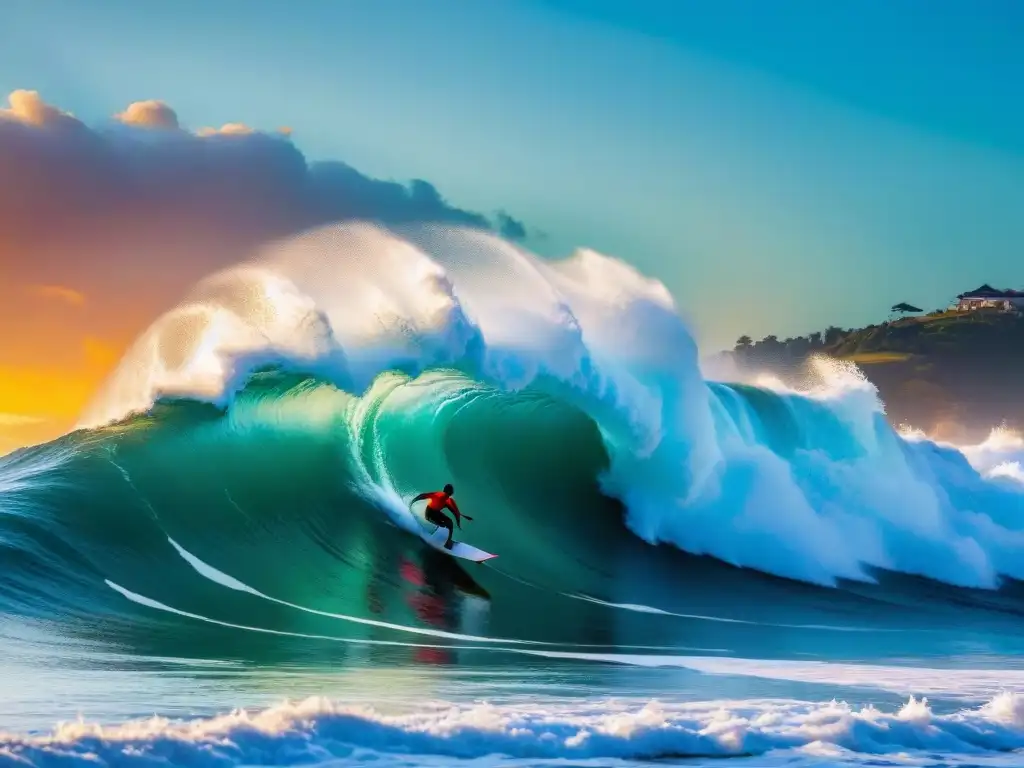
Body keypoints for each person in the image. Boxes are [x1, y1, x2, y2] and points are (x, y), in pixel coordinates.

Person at [411, 484, 472, 549]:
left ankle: (448, 541)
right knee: (442, 524)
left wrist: (458, 523)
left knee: (449, 522)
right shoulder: (438, 495)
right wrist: (412, 502)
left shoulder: (449, 501)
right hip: (429, 514)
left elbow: (455, 513)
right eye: (450, 492)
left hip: (436, 513)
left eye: (450, 492)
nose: (449, 494)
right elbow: (422, 495)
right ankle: (432, 536)